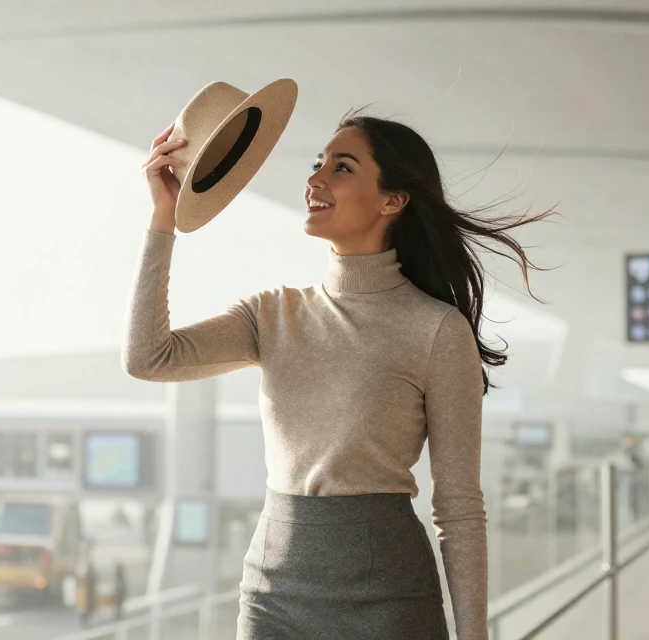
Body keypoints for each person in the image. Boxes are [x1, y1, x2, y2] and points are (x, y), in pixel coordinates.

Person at [126, 114, 553, 639]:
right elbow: (148, 358)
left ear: (392, 200)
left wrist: (474, 637)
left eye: (342, 166)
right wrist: (163, 217)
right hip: (273, 594)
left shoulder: (437, 330)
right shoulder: (272, 314)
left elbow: (459, 507)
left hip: (389, 597)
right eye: (318, 164)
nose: (316, 179)